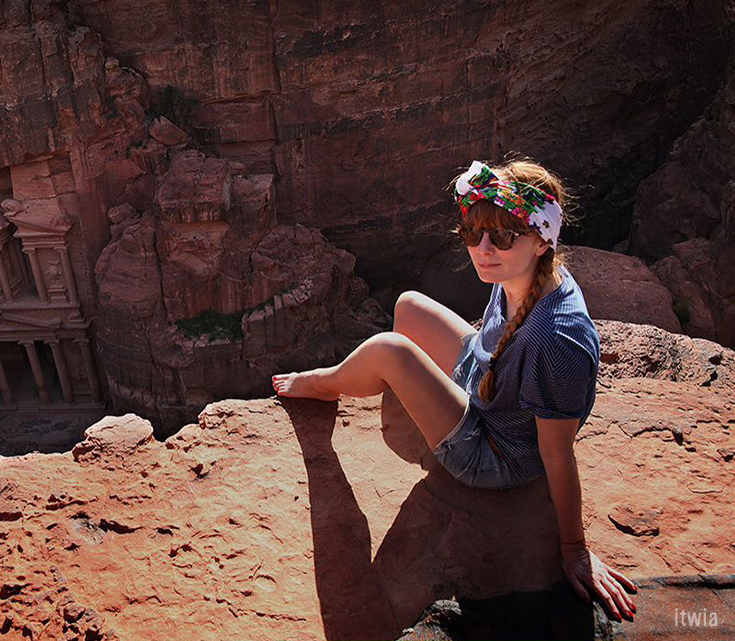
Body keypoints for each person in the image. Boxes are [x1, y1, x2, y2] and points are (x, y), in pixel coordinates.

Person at [271, 157, 638, 623]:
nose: (483, 249)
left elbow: (556, 453)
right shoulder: (521, 274)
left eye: (502, 237)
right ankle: (376, 381)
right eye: (473, 232)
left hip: (492, 454)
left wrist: (574, 549)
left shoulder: (556, 337)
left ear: (543, 239)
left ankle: (322, 385)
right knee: (408, 306)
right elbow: (492, 343)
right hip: (484, 385)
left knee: (391, 351)